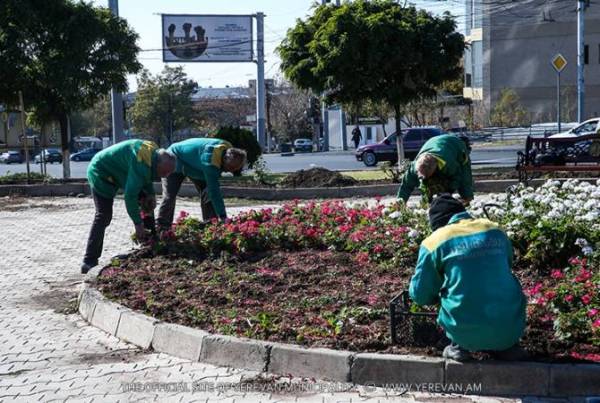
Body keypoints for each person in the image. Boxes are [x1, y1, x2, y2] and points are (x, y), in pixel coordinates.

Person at [409, 195, 527, 362]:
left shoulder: (435, 241)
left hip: (463, 331)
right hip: (510, 328)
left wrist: (437, 293)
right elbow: (508, 262)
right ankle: (507, 346)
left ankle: (458, 347)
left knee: (452, 292)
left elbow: (420, 295)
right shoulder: (495, 229)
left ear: (437, 223)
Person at [82, 140, 177, 273]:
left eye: (168, 174)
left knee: (147, 203)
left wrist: (150, 194)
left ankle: (150, 246)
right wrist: (137, 224)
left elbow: (147, 176)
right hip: (100, 172)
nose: (165, 176)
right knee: (103, 216)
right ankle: (89, 261)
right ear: (159, 164)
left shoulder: (153, 155)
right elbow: (130, 196)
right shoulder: (141, 162)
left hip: (118, 173)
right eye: (164, 172)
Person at [157, 137, 247, 230]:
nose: (231, 171)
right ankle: (162, 227)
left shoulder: (227, 147)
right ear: (224, 160)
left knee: (207, 193)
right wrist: (223, 216)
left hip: (195, 165)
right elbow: (215, 192)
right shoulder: (210, 163)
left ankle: (210, 226)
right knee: (170, 196)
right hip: (173, 157)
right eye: (230, 168)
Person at [397, 134, 473, 204]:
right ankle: (427, 204)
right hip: (432, 143)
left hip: (455, 145)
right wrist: (400, 202)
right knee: (425, 185)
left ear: (434, 169)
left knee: (465, 175)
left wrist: (449, 191)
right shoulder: (414, 167)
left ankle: (468, 200)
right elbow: (406, 186)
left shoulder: (449, 163)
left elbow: (459, 177)